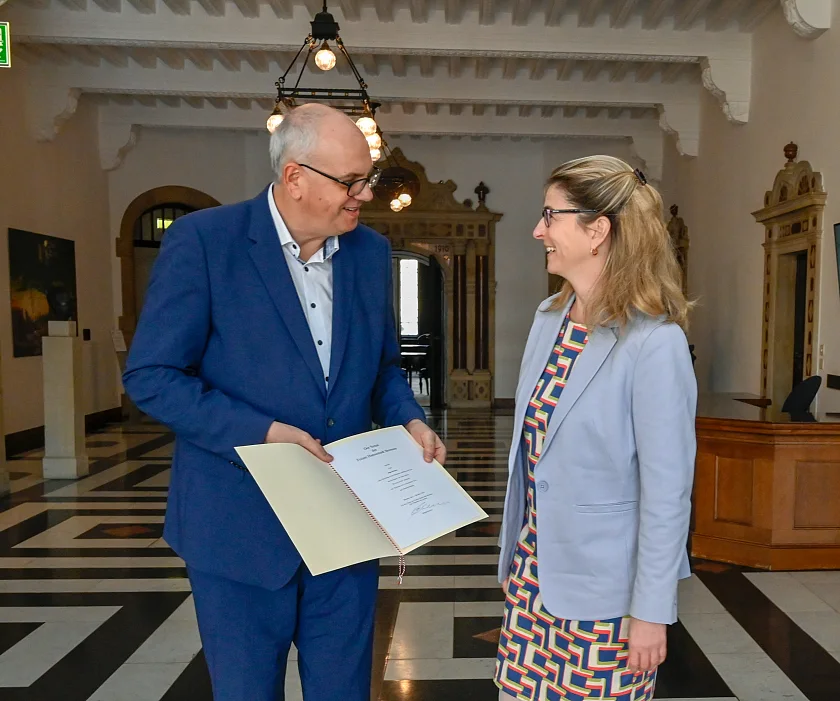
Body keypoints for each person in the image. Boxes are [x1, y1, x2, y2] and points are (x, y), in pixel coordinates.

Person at [122, 103, 445, 701]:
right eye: (350, 182)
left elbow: (382, 369)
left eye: (366, 179)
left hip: (347, 524)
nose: (364, 195)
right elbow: (152, 375)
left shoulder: (371, 253)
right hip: (237, 530)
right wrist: (263, 431)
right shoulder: (205, 242)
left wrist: (409, 418)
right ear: (294, 176)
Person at [495, 156, 696, 700]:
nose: (539, 230)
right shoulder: (548, 320)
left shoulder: (655, 345)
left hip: (609, 600)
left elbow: (667, 493)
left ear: (598, 230)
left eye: (550, 215)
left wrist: (651, 612)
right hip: (534, 580)